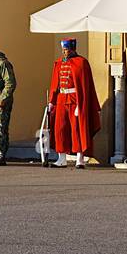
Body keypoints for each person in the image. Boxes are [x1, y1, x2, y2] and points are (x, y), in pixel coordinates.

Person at [47, 38, 101, 169]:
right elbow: (55, 83)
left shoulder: (81, 63)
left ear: (72, 49)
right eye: (63, 50)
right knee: (60, 129)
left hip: (75, 100)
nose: (64, 52)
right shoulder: (58, 63)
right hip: (61, 99)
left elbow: (85, 86)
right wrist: (51, 101)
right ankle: (61, 158)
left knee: (76, 129)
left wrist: (81, 104)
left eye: (66, 49)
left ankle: (80, 158)